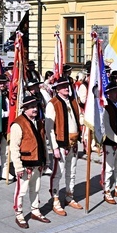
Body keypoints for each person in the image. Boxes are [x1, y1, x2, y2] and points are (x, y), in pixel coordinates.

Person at [9, 95, 50, 229]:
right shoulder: (18, 123)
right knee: (22, 191)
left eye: (36, 106)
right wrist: (18, 167)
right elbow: (14, 147)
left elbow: (42, 143)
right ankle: (19, 214)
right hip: (25, 164)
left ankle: (35, 211)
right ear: (25, 109)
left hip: (37, 162)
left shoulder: (39, 122)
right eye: (31, 107)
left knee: (36, 189)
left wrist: (46, 160)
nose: (34, 109)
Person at [46, 79, 82, 216]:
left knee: (71, 172)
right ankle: (55, 200)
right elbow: (49, 128)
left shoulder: (73, 101)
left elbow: (79, 118)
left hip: (73, 142)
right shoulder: (52, 104)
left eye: (67, 86)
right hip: (60, 144)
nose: (66, 88)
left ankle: (69, 196)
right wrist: (54, 147)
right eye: (63, 86)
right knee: (58, 173)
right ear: (57, 89)